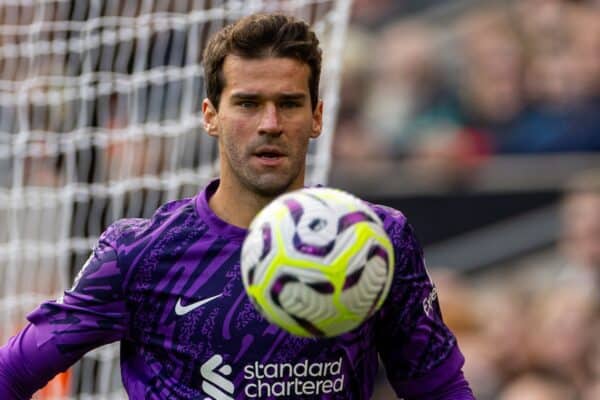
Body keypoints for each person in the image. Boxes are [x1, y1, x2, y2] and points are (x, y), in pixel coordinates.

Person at [0, 13, 474, 399]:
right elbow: (13, 372)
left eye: (289, 104)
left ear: (316, 117)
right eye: (247, 103)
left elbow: (440, 388)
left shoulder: (377, 239)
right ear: (211, 116)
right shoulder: (140, 253)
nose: (270, 123)